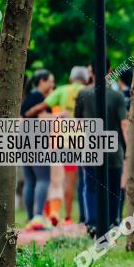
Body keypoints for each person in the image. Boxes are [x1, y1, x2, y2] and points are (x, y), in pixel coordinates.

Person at [27, 66, 90, 225]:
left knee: (65, 180)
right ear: (87, 79)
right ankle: (85, 218)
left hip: (65, 141)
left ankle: (67, 217)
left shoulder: (62, 91)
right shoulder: (91, 91)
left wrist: (27, 114)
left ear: (70, 78)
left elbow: (38, 109)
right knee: (86, 180)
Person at [74, 60, 128, 235]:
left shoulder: (83, 94)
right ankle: (113, 221)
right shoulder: (117, 96)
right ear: (110, 70)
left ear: (91, 71)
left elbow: (78, 125)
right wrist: (129, 151)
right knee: (113, 187)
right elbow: (124, 125)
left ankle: (92, 223)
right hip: (114, 151)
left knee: (90, 186)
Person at [21, 69, 55, 230]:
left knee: (30, 180)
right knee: (43, 179)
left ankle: (31, 218)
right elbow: (42, 119)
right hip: (37, 142)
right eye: (50, 81)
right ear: (42, 82)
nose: (52, 85)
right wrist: (61, 116)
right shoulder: (39, 98)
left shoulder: (28, 97)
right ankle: (38, 218)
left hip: (24, 142)